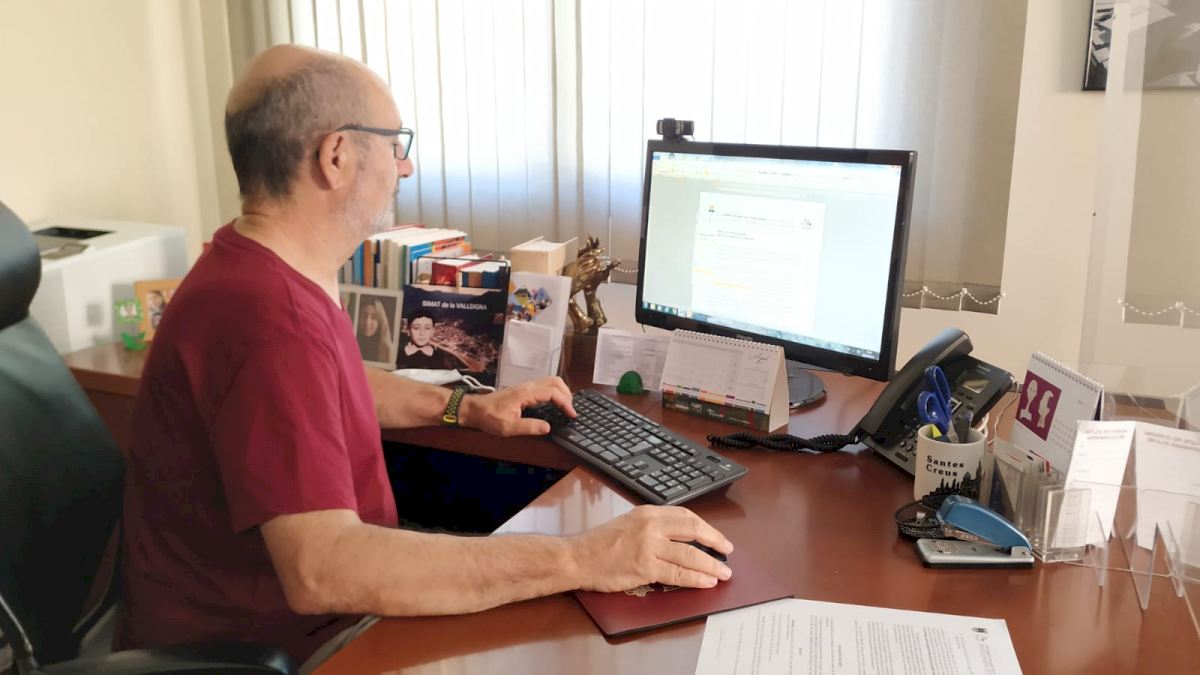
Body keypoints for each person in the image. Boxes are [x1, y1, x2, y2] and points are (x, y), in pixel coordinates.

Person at [115, 44, 733, 672]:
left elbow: (336, 385)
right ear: (336, 156)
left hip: (292, 612)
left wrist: (467, 407)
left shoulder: (254, 267)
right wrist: (584, 557)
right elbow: (323, 571)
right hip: (283, 647)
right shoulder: (273, 323)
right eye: (395, 144)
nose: (405, 167)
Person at [396, 307, 465, 370]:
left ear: (433, 331)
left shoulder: (441, 356)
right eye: (416, 328)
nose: (422, 333)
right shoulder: (397, 353)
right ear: (408, 331)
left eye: (427, 328)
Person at [356, 297, 394, 363]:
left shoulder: (387, 348)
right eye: (364, 315)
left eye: (373, 317)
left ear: (380, 321)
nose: (367, 322)